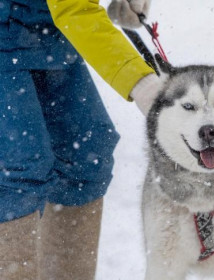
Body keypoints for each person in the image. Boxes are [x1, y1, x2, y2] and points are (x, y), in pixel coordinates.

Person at [0, 0, 160, 279]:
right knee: (18, 166)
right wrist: (141, 82)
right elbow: (75, 9)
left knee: (88, 153)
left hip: (46, 32)